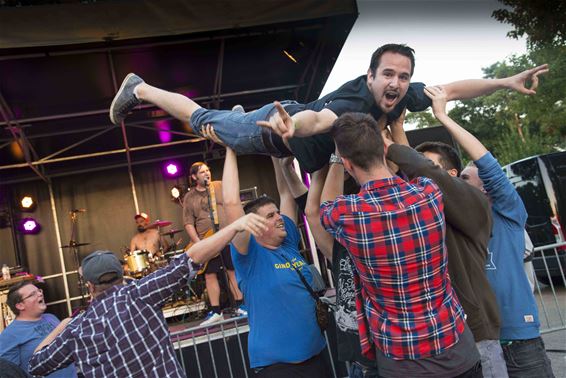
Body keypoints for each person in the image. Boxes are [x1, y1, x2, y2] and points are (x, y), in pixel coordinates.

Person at [109, 44, 547, 173]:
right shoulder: (355, 100)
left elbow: (451, 89)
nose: (396, 83)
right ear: (371, 75)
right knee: (202, 119)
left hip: (292, 145)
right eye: (388, 74)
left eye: (404, 76)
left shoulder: (403, 95)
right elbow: (320, 119)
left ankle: (238, 114)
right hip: (270, 130)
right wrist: (290, 124)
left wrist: (504, 82)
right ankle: (142, 87)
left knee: (217, 123)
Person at [320, 113, 481, 377]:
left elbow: (324, 208)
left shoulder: (347, 215)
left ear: (348, 165)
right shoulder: (428, 193)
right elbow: (414, 168)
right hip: (458, 352)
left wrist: (337, 157)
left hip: (402, 364)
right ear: (384, 150)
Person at [27, 213, 267, 378]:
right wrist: (235, 225)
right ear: (122, 272)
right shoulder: (140, 293)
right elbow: (192, 258)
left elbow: (36, 365)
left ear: (89, 285)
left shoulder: (76, 329)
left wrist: (63, 325)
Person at [423, 85, 554, 377]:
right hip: (475, 343)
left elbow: (488, 166)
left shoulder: (507, 214)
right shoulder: (446, 223)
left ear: (486, 187)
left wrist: (443, 117)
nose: (458, 182)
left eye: (466, 177)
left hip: (520, 341)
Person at [383, 113, 505, 377]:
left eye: (428, 165)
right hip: (440, 337)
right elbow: (417, 179)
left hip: (476, 333)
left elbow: (424, 174)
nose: (419, 170)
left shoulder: (474, 202)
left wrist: (390, 145)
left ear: (450, 174)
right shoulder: (423, 209)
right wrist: (397, 127)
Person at [205, 126, 327, 377]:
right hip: (279, 368)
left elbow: (285, 193)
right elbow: (230, 203)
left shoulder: (288, 243)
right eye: (271, 216)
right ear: (255, 225)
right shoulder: (249, 254)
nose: (279, 218)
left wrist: (274, 149)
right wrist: (231, 147)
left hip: (317, 358)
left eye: (277, 213)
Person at [182, 161, 245, 325]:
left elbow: (234, 203)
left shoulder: (219, 186)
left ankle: (240, 305)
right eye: (202, 172)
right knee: (210, 275)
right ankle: (216, 311)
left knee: (232, 271)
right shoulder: (189, 197)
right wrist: (198, 243)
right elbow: (188, 223)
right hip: (207, 240)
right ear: (194, 177)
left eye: (207, 170)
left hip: (227, 236)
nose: (207, 173)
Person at [0, 281, 77, 377]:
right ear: (20, 305)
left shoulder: (51, 317)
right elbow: (10, 373)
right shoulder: (9, 335)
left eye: (39, 291)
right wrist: (62, 325)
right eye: (32, 294)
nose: (40, 294)